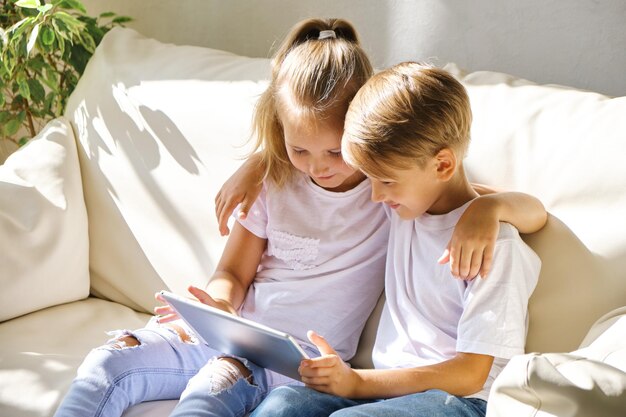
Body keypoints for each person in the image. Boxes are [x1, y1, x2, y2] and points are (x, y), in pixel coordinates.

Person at [55, 18, 544, 417]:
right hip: (244, 335)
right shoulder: (376, 192)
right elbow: (232, 272)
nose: (319, 167)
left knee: (214, 391)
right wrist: (262, 162)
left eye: (337, 152)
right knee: (111, 360)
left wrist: (490, 207)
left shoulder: (397, 195)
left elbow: (504, 204)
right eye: (298, 149)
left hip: (309, 364)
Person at [249, 62, 543, 417]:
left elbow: (470, 374)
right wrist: (256, 167)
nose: (373, 196)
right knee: (282, 405)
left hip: (460, 402)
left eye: (385, 181)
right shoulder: (405, 208)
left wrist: (489, 210)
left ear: (443, 166)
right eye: (369, 178)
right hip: (384, 393)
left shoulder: (495, 246)